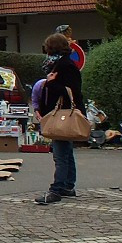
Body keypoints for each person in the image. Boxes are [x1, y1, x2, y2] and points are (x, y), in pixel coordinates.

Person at [34, 33, 85, 205]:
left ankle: (57, 189)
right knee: (66, 152)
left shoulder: (65, 66)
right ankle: (68, 186)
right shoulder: (61, 63)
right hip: (62, 113)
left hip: (63, 115)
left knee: (60, 154)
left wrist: (51, 83)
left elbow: (72, 91)